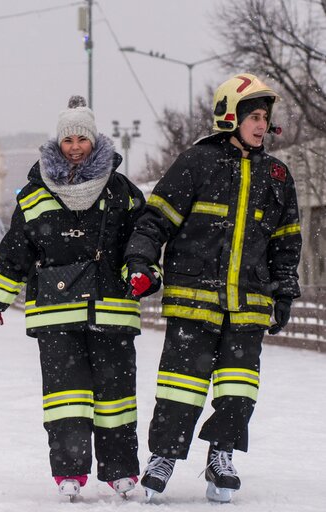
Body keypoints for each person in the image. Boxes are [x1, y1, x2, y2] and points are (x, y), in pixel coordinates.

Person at [124, 74, 302, 503]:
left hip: (249, 304)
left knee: (238, 390)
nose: (261, 125)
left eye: (264, 118)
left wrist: (283, 291)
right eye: (253, 116)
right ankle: (163, 458)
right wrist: (141, 261)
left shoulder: (277, 175)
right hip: (194, 302)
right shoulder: (196, 163)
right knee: (179, 388)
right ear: (230, 117)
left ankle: (222, 455)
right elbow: (155, 220)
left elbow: (286, 242)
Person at [0, 96, 149, 500]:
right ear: (58, 143)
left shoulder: (121, 191)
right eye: (68, 139)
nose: (75, 147)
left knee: (115, 395)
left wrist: (141, 271)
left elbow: (140, 241)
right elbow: (17, 249)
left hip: (111, 307)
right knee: (65, 398)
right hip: (56, 313)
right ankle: (69, 471)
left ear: (94, 141)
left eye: (82, 139)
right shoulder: (33, 194)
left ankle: (120, 469)